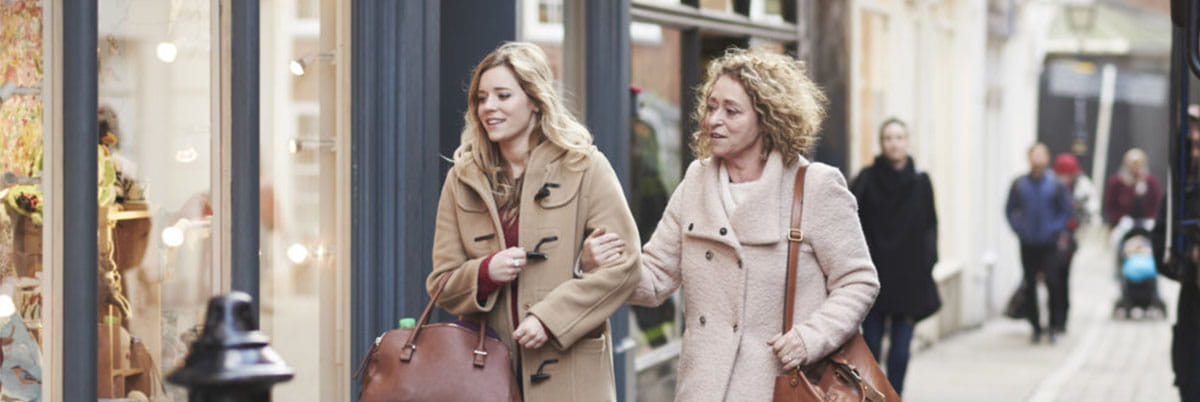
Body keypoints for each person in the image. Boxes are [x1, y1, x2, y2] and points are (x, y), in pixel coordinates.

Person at [581, 48, 879, 401]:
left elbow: (858, 280)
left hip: (785, 386)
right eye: (710, 107)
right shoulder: (696, 181)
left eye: (731, 111)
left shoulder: (814, 186)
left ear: (768, 119)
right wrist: (599, 265)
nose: (713, 120)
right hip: (704, 389)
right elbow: (655, 279)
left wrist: (809, 338)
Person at [426, 42, 641, 401]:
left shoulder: (584, 166)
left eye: (503, 95)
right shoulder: (462, 178)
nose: (489, 107)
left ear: (536, 100)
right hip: (485, 374)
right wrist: (484, 273)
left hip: (570, 370)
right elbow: (441, 283)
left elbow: (625, 266)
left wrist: (550, 319)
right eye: (481, 98)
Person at [849, 117, 938, 395]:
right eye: (888, 138)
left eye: (899, 138)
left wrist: (928, 264)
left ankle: (895, 396)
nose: (894, 144)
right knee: (871, 353)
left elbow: (930, 226)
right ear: (881, 143)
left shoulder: (921, 181)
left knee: (900, 354)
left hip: (909, 281)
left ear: (907, 142)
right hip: (874, 279)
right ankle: (874, 398)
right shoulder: (866, 179)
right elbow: (850, 224)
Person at [1153, 104, 1200, 401]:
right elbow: (1161, 246)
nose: (1196, 151)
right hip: (1193, 306)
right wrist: (1189, 259)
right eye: (1192, 144)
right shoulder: (1183, 193)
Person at [1006, 143, 1073, 344]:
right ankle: (1035, 326)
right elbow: (1010, 209)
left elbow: (1065, 210)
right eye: (1034, 154)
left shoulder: (1055, 184)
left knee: (1053, 283)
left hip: (1049, 243)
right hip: (1028, 242)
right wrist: (1019, 229)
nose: (1038, 158)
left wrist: (1055, 229)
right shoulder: (1019, 184)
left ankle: (1052, 326)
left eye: (1042, 154)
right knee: (1030, 284)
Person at [1103, 148, 1163, 230]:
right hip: (1123, 222)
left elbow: (1156, 204)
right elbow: (1110, 206)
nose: (1135, 167)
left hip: (1146, 221)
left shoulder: (1151, 182)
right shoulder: (1116, 182)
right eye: (1132, 163)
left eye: (1138, 163)